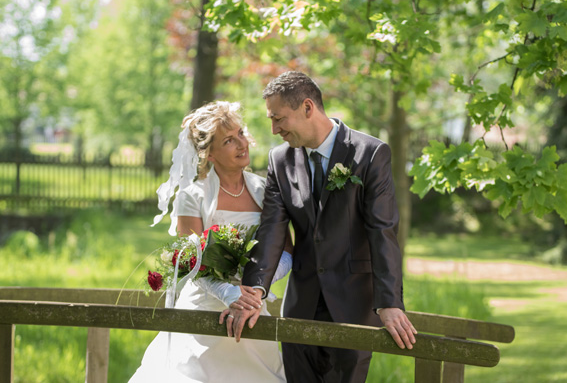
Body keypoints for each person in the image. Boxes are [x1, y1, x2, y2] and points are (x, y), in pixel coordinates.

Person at [223, 71, 417, 382]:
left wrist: (390, 303)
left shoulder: (370, 154)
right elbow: (272, 229)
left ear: (308, 107)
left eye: (278, 118)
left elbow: (383, 233)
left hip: (354, 305)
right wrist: (254, 292)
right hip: (301, 303)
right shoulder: (279, 160)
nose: (274, 130)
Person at [129, 101, 292, 382]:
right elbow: (192, 262)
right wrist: (230, 295)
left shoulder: (266, 190)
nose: (242, 143)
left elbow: (286, 252)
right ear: (210, 154)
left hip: (252, 312)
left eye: (241, 133)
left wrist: (255, 290)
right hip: (203, 318)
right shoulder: (192, 196)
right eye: (229, 140)